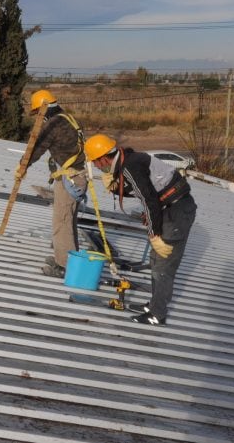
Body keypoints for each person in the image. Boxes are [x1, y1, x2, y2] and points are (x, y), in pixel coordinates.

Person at [84, 133, 197, 325]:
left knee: (163, 267)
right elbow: (144, 190)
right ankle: (153, 304)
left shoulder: (129, 166)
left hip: (176, 211)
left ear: (103, 158)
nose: (95, 166)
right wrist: (115, 188)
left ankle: (157, 315)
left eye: (95, 162)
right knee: (156, 261)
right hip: (170, 208)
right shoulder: (128, 161)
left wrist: (154, 235)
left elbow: (149, 200)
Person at [15, 89, 88, 278]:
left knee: (61, 222)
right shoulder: (66, 118)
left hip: (70, 178)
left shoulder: (54, 124)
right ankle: (63, 257)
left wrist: (22, 166)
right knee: (67, 220)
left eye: (37, 112)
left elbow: (36, 147)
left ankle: (65, 266)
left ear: (43, 109)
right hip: (73, 176)